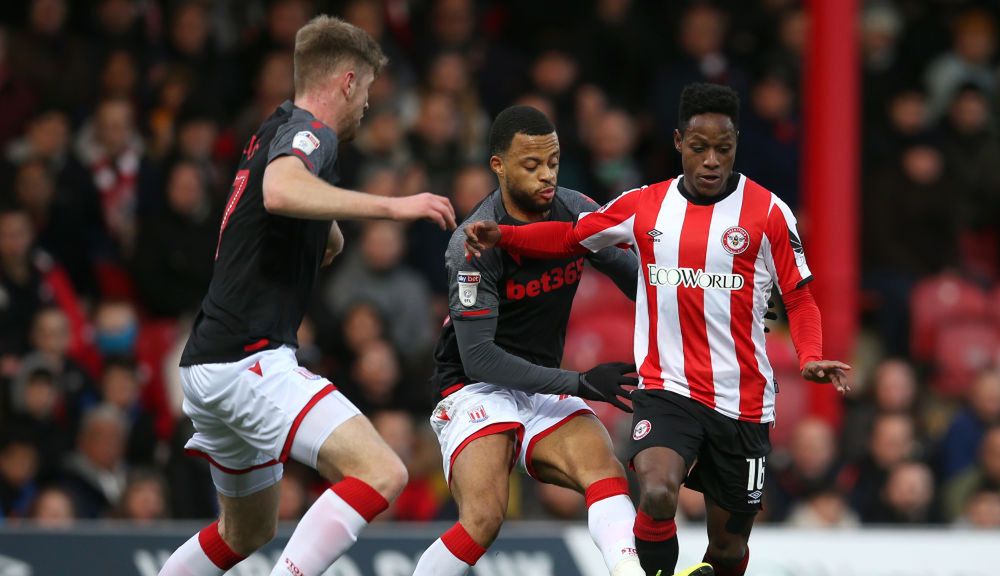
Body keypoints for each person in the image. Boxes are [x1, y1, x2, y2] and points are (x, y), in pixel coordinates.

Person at [465, 83, 851, 576]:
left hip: (743, 401)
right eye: (699, 147)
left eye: (723, 149)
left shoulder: (770, 213)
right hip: (667, 387)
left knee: (728, 548)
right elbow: (571, 236)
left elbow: (798, 296)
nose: (711, 161)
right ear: (678, 142)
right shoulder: (645, 205)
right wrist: (505, 235)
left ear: (736, 145)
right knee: (656, 490)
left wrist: (809, 355)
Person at [158, 16, 455, 576]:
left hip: (209, 364)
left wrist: (328, 232)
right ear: (347, 81)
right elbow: (279, 190)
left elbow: (281, 200)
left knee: (246, 530)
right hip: (250, 359)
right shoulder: (311, 132)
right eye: (367, 89)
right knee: (382, 472)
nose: (367, 104)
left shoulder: (274, 127)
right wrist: (394, 206)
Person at [412, 105, 663, 576]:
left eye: (553, 162)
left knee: (605, 471)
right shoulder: (473, 243)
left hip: (541, 384)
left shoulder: (577, 210)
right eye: (531, 165)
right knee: (484, 519)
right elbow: (481, 359)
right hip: (472, 387)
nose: (547, 175)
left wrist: (710, 300)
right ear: (498, 165)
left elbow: (641, 283)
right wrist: (580, 382)